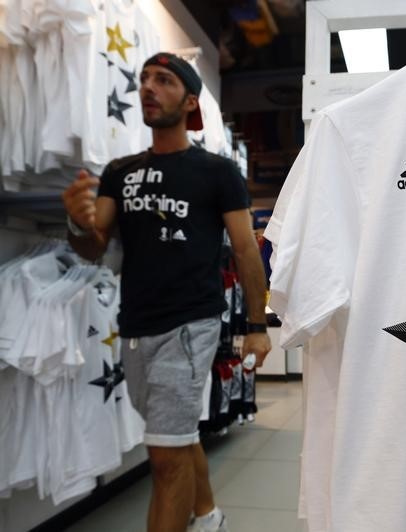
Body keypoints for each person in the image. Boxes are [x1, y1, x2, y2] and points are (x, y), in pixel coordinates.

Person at [61, 52, 271, 532]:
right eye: (145, 80)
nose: (149, 88)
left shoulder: (217, 172)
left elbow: (244, 249)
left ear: (191, 100)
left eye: (165, 80)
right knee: (173, 437)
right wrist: (76, 220)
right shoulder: (119, 171)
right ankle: (208, 516)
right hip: (135, 325)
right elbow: (94, 248)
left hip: (189, 325)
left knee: (164, 459)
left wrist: (257, 325)